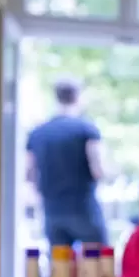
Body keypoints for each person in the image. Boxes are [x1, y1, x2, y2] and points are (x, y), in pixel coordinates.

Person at [26, 79, 110, 247]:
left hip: (52, 210)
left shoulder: (38, 133)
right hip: (84, 208)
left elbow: (29, 173)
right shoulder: (87, 129)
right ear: (79, 97)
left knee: (60, 265)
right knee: (96, 261)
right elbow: (98, 170)